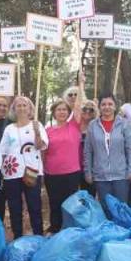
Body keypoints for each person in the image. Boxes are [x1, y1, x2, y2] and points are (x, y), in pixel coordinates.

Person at [0, 96, 47, 237]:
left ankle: (38, 236)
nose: (21, 108)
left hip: (32, 171)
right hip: (11, 172)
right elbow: (3, 151)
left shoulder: (36, 125)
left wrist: (37, 132)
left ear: (30, 108)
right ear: (14, 109)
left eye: (24, 105)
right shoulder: (9, 128)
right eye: (18, 106)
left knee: (34, 206)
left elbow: (41, 146)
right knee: (15, 207)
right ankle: (18, 237)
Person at [44, 72, 86, 232]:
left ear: (68, 113)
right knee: (54, 204)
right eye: (58, 110)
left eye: (64, 110)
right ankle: (55, 231)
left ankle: (70, 231)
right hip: (51, 174)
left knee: (69, 205)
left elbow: (77, 106)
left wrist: (80, 84)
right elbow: (43, 151)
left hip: (71, 173)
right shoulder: (47, 130)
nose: (62, 112)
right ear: (54, 113)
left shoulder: (73, 126)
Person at [84, 94, 131, 205]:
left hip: (121, 176)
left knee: (121, 209)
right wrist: (88, 172)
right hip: (101, 176)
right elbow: (88, 151)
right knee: (106, 208)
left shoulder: (123, 124)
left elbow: (130, 149)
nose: (107, 107)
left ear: (115, 106)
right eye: (103, 104)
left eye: (110, 104)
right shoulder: (92, 126)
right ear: (99, 107)